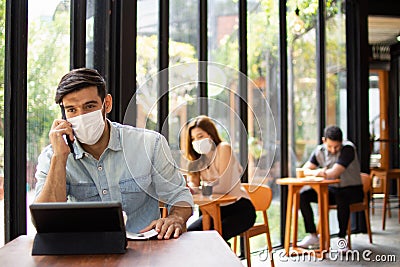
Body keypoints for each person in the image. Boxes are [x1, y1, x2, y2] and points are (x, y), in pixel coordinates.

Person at [34, 68, 193, 240]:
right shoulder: (53, 156)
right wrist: (59, 158)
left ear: (106, 104)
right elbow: (45, 221)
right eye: (72, 110)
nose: (81, 116)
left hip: (144, 250)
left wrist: (175, 218)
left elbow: (180, 196)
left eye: (89, 106)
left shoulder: (149, 144)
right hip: (84, 251)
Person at [184, 115, 256, 241]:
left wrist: (198, 190)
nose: (196, 141)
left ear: (210, 135)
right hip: (213, 212)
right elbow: (193, 190)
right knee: (189, 236)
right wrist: (190, 187)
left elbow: (224, 188)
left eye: (200, 136)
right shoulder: (199, 161)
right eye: (193, 139)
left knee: (213, 238)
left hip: (239, 209)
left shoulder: (223, 148)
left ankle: (225, 260)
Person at [297, 125, 363, 251]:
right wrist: (318, 172)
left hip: (353, 190)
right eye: (330, 146)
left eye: (336, 147)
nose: (333, 150)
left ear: (341, 142)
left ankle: (342, 238)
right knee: (303, 195)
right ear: (324, 140)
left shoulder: (348, 149)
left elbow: (334, 173)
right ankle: (313, 235)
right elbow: (304, 170)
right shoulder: (319, 151)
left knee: (341, 196)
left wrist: (318, 172)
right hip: (333, 191)